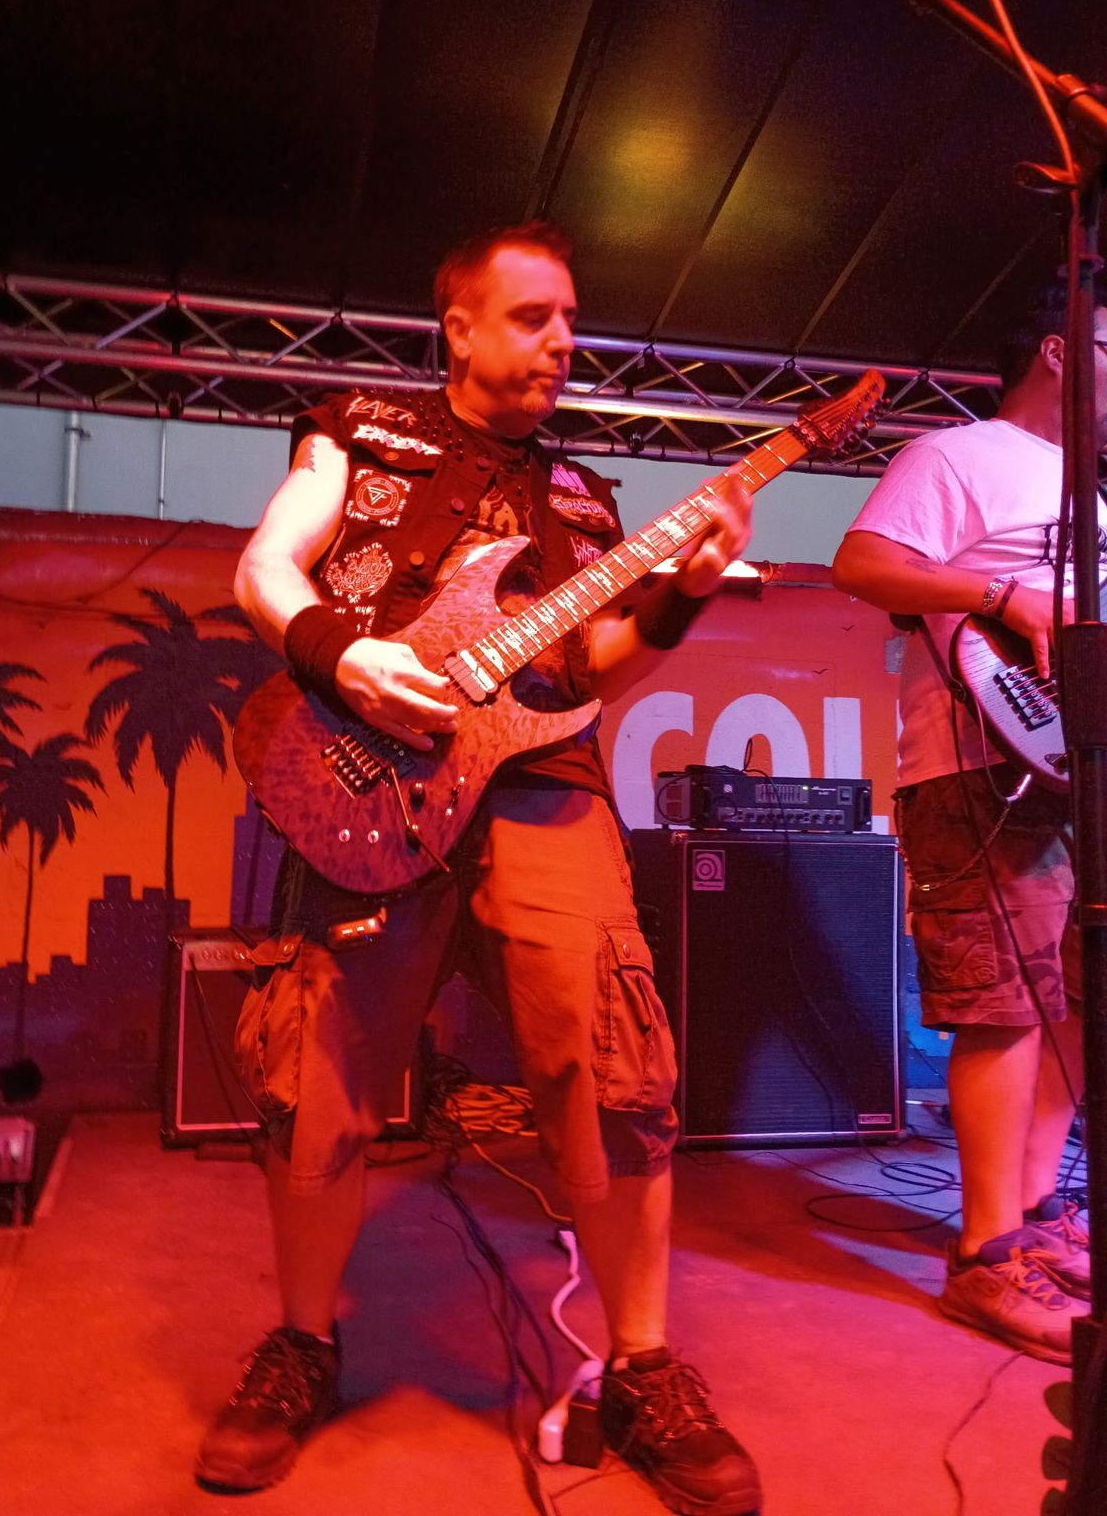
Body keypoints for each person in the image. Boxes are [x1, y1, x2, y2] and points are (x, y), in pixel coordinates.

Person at [197, 221, 762, 1514]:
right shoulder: (356, 432)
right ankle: (302, 1345)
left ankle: (643, 1367)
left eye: (571, 320)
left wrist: (682, 593)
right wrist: (342, 654)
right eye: (531, 316)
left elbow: (595, 667)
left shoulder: (586, 503)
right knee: (320, 1076)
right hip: (367, 776)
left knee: (613, 1063)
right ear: (457, 326)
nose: (563, 340)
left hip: (543, 790)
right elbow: (263, 568)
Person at [831, 272, 1107, 1363]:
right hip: (979, 769)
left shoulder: (1091, 496)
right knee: (1005, 1005)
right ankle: (986, 1256)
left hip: (1078, 777)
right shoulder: (956, 455)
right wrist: (1000, 594)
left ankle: (1035, 1217)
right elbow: (862, 562)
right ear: (1057, 350)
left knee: (1074, 999)